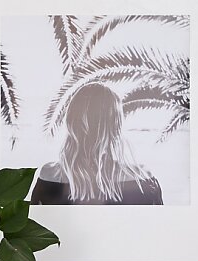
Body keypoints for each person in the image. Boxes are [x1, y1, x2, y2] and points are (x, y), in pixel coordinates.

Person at [31, 83, 164, 205]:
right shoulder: (142, 177)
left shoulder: (50, 174)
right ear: (116, 126)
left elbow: (34, 227)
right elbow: (158, 227)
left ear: (71, 123)